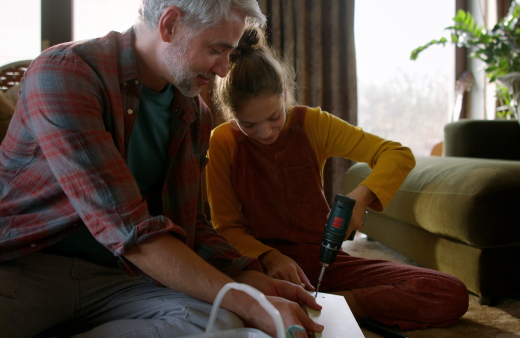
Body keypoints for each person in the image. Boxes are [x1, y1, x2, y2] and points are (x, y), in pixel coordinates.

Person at [0, 1, 324, 337]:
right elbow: (128, 228)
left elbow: (192, 226)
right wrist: (248, 302)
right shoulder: (64, 73)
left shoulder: (193, 114)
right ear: (169, 24)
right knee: (236, 309)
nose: (224, 70)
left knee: (220, 320)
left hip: (116, 277)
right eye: (216, 49)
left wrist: (248, 280)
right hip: (25, 267)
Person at [207, 27, 470, 331]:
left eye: (274, 118)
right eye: (249, 124)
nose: (265, 133)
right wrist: (269, 256)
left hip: (324, 262)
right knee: (215, 302)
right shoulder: (222, 142)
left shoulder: (313, 124)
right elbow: (226, 227)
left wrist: (362, 196)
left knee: (449, 293)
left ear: (284, 97)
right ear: (230, 114)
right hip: (261, 267)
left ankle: (330, 305)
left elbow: (396, 154)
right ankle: (310, 304)